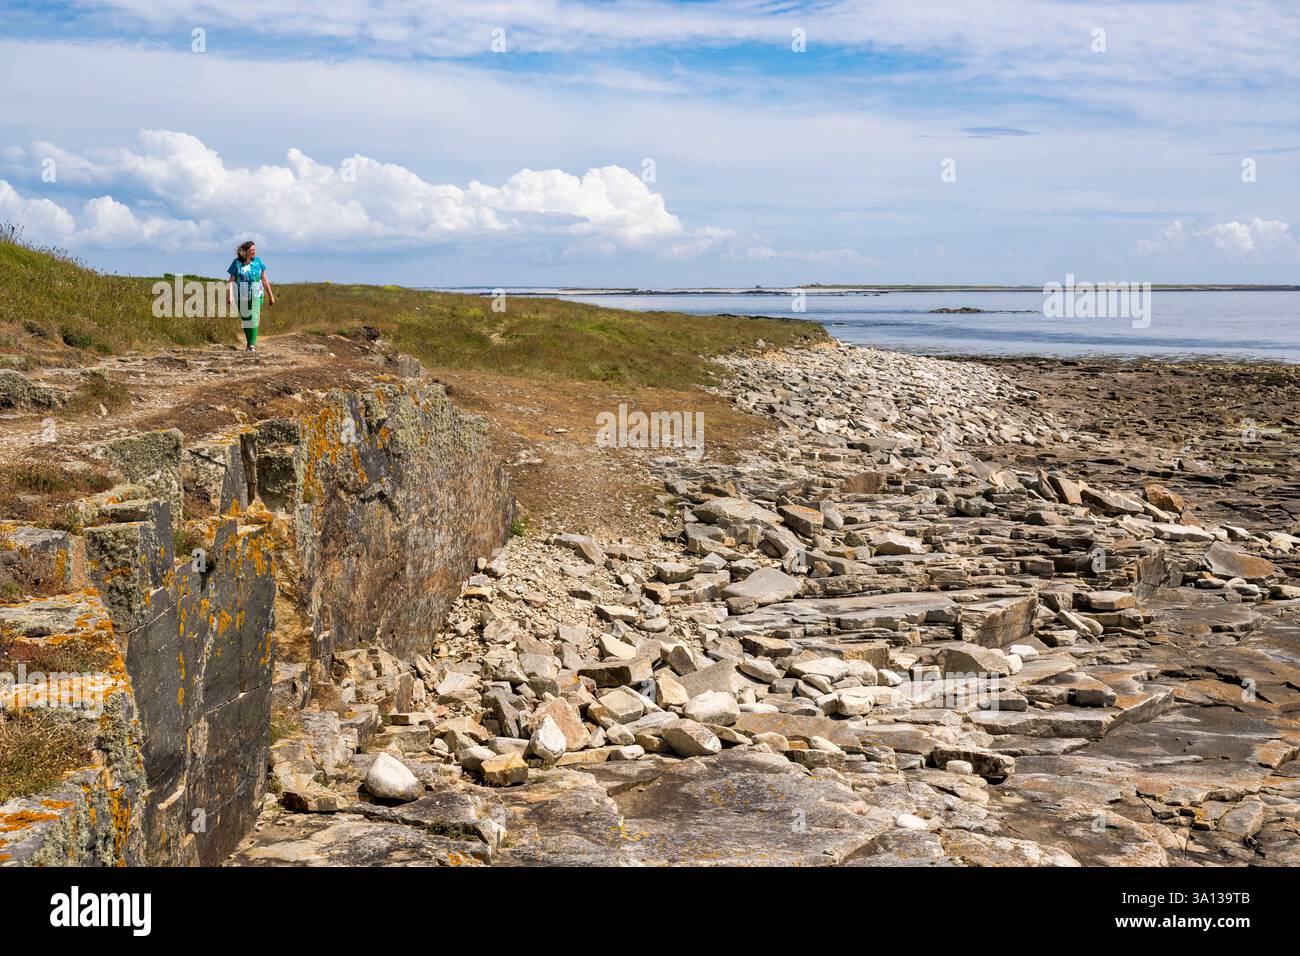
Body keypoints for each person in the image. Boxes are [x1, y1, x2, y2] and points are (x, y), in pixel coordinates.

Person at [226, 240, 275, 351]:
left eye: (255, 249)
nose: (254, 251)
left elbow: (264, 279)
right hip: (241, 295)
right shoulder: (237, 263)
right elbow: (232, 280)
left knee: (253, 317)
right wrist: (230, 295)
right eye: (252, 250)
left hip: (257, 294)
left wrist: (271, 296)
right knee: (246, 319)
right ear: (245, 252)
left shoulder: (258, 261)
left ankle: (252, 345)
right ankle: (249, 343)